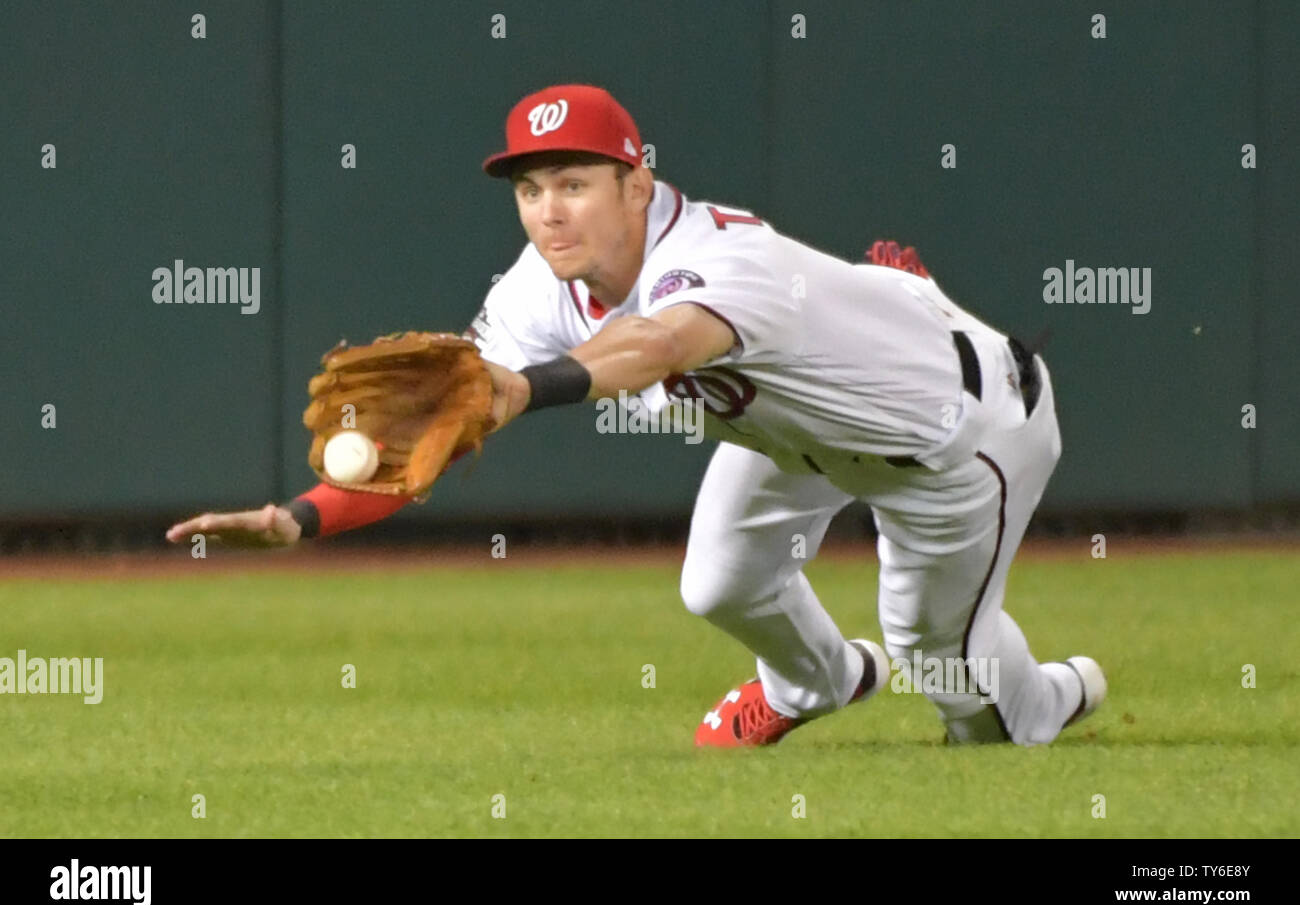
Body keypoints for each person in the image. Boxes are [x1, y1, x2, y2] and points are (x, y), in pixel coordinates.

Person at [167, 83, 1105, 747]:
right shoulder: (543, 283)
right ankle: (819, 681)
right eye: (530, 189)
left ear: (637, 183)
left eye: (573, 181)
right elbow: (439, 430)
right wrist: (301, 515)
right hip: (797, 433)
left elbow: (659, 345)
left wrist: (526, 387)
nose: (548, 212)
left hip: (958, 440)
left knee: (961, 696)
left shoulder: (713, 255)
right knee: (720, 584)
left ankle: (1056, 694)